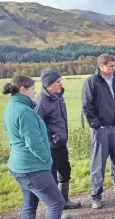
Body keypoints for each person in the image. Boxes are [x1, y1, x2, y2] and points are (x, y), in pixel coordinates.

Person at [3, 75, 66, 219]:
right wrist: (47, 160)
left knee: (29, 205)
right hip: (32, 168)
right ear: (22, 89)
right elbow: (34, 142)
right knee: (56, 203)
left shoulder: (11, 107)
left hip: (18, 166)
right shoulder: (24, 112)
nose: (35, 92)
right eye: (32, 89)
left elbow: (9, 131)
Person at [82, 53, 115, 210]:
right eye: (111, 66)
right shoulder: (91, 82)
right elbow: (87, 106)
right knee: (98, 163)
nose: (114, 68)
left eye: (114, 65)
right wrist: (96, 125)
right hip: (101, 129)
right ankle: (96, 196)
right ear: (101, 66)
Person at [34, 69, 81, 210]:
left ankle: (64, 201)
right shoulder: (40, 102)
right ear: (48, 84)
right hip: (49, 146)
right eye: (58, 81)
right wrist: (51, 138)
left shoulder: (58, 96)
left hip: (61, 144)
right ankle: (55, 209)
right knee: (51, 177)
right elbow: (37, 127)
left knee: (65, 171)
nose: (61, 84)